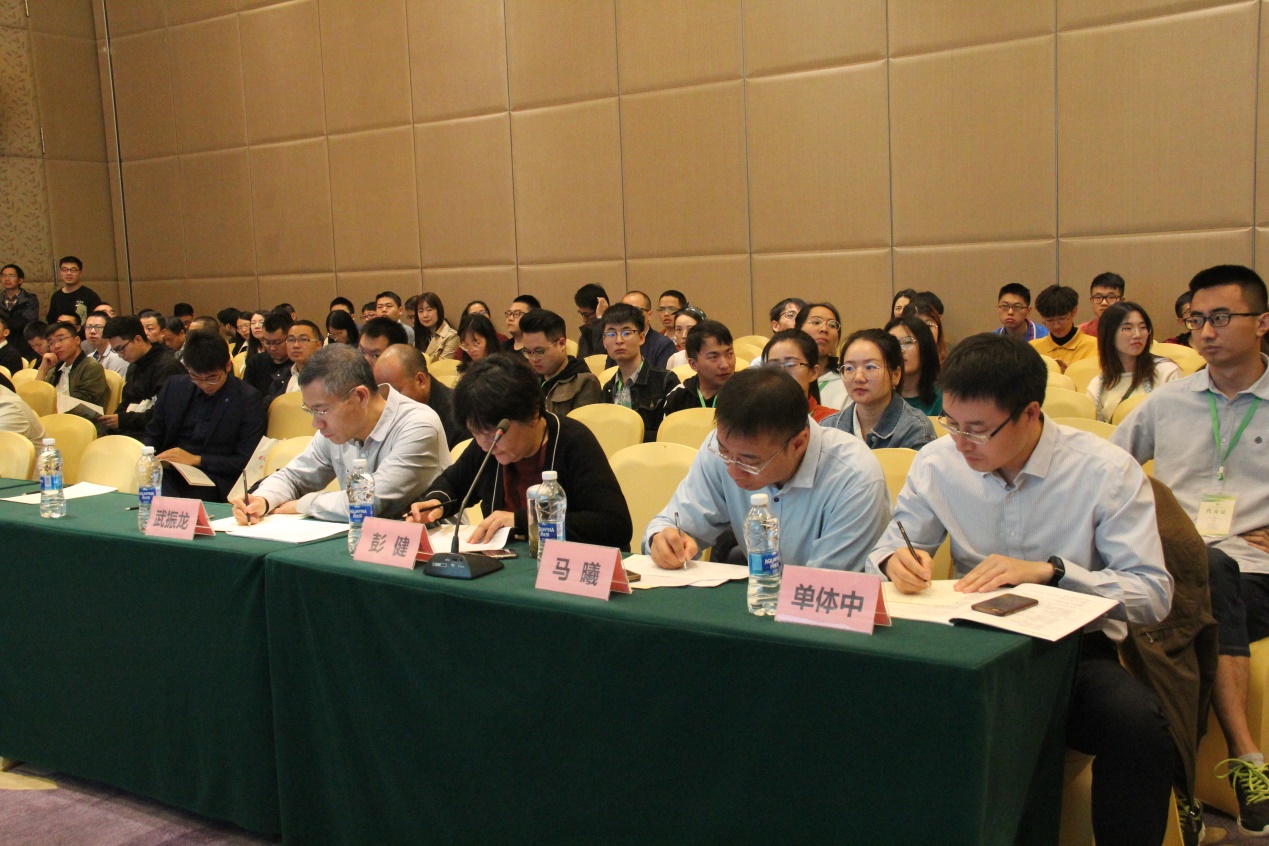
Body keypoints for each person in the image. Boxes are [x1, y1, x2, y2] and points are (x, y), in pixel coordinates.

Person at [871, 332, 1175, 846]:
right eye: (951, 423)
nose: (960, 442)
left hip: (1069, 652)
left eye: (978, 430)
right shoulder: (938, 461)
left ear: (1031, 413)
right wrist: (895, 561)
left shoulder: (1104, 470)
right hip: (968, 641)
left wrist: (1053, 572)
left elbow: (1153, 594)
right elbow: (894, 542)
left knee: (1137, 726)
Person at [1112, 264, 1269, 835]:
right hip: (1176, 565)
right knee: (1204, 579)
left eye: (1221, 318)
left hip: (1258, 572)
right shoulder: (1168, 402)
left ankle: (1182, 793)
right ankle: (1247, 761)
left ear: (1262, 323)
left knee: (1201, 595)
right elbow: (1108, 472)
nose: (1205, 331)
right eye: (1196, 318)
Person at [646, 366, 890, 569]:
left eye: (749, 461)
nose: (732, 470)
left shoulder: (854, 477)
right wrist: (663, 540)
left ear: (798, 444)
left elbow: (824, 585)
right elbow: (675, 522)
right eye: (724, 453)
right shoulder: (725, 447)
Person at [407, 354, 632, 548]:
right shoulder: (489, 445)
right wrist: (435, 503)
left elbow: (614, 525)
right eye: (475, 433)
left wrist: (521, 520)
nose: (484, 445)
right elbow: (453, 483)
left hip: (565, 566)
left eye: (492, 434)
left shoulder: (573, 441)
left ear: (532, 414)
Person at [234, 345, 449, 523]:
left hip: (427, 546)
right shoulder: (337, 429)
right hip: (358, 540)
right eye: (310, 411)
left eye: (321, 410)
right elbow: (295, 476)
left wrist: (303, 504)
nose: (316, 423)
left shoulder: (418, 425)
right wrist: (262, 500)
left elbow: (367, 504)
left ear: (361, 397)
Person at [140, 332, 266, 502]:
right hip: (172, 470)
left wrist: (196, 460)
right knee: (151, 483)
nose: (205, 385)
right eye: (196, 378)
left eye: (212, 378)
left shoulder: (247, 399)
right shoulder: (175, 387)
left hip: (214, 477)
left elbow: (246, 459)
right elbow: (153, 432)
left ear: (228, 366)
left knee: (172, 493)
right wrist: (150, 458)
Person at [821, 329, 935, 450]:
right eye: (849, 368)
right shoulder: (828, 428)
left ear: (896, 375)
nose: (858, 377)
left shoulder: (915, 429)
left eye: (870, 367)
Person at [1087, 302, 1182, 422]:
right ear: (1109, 334)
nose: (1137, 335)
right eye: (1128, 328)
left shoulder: (1166, 372)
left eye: (1142, 327)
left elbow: (1177, 421)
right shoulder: (1098, 385)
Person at [599, 302, 680, 441]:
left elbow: (673, 433)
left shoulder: (665, 381)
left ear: (641, 338)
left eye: (626, 333)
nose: (619, 340)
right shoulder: (608, 388)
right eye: (611, 334)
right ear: (604, 341)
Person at [98, 315, 186, 434]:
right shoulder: (134, 366)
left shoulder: (168, 367)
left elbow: (165, 414)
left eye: (121, 348)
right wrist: (114, 419)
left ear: (138, 340)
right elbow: (127, 402)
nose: (120, 355)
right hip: (133, 430)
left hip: (157, 435)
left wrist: (123, 420)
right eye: (116, 350)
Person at [373, 344, 469, 449]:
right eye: (383, 394)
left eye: (395, 392)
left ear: (420, 381)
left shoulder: (458, 416)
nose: (387, 402)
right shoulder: (385, 410)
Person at [517, 309, 601, 417]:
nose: (533, 358)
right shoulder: (528, 380)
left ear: (561, 344)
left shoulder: (584, 382)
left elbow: (581, 426)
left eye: (539, 351)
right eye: (528, 352)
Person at [761, 329, 836, 423]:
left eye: (790, 364)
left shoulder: (833, 421)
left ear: (813, 372)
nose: (781, 372)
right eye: (774, 366)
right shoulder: (757, 420)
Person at [663, 320, 735, 416]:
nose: (725, 365)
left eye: (729, 354)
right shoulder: (678, 397)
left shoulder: (748, 393)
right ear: (693, 364)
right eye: (714, 357)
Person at [37, 320, 109, 412]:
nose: (56, 346)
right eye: (51, 343)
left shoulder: (91, 367)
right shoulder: (54, 371)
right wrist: (43, 369)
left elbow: (81, 404)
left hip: (80, 419)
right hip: (55, 416)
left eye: (61, 339)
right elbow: (38, 399)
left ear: (77, 340)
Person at [1030, 284, 1098, 371]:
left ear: (1074, 312)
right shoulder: (1033, 348)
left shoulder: (1095, 346)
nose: (1056, 326)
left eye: (1061, 319)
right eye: (1050, 320)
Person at [886, 314, 942, 416]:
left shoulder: (944, 398)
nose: (900, 350)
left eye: (908, 342)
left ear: (925, 347)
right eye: (894, 344)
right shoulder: (878, 398)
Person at [793, 302, 845, 408]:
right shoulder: (782, 377)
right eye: (816, 322)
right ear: (797, 329)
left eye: (832, 325)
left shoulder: (847, 382)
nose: (824, 329)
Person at [264, 319, 323, 407]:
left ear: (318, 346)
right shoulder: (282, 376)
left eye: (303, 339)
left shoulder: (328, 377)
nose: (296, 345)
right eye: (291, 340)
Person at [243, 311, 293, 395]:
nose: (272, 348)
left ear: (289, 339)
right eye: (267, 342)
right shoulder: (256, 362)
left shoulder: (296, 365)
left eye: (277, 342)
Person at [46, 256, 101, 325]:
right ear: (60, 272)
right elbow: (51, 322)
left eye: (73, 270)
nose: (68, 273)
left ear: (80, 272)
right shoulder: (56, 296)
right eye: (64, 270)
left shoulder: (90, 296)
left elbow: (95, 321)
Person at [0, 263, 39, 359]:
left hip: (24, 345)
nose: (7, 279)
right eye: (4, 276)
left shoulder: (30, 299)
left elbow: (27, 322)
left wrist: (5, 322)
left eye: (11, 276)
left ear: (20, 280)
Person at [903, 296, 949, 364]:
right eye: (919, 325)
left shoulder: (950, 362)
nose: (925, 330)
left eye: (929, 325)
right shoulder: (903, 363)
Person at [82, 310, 129, 376]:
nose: (92, 331)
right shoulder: (90, 357)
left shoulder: (117, 357)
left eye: (98, 327)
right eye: (89, 327)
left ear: (108, 329)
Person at [1079, 272, 1126, 338]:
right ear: (1091, 301)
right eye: (1098, 297)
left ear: (1122, 301)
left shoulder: (1134, 332)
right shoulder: (1081, 333)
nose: (1104, 303)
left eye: (1111, 297)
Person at [413, 291, 458, 361]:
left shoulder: (452, 336)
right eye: (420, 311)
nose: (425, 315)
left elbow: (442, 365)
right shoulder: (417, 334)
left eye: (429, 310)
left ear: (439, 311)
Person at [455, 312, 501, 379]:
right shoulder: (464, 369)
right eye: (466, 344)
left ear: (489, 339)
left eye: (476, 344)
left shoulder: (500, 369)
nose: (471, 350)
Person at [574, 283, 610, 359]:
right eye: (582, 314)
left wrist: (600, 319)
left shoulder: (614, 334)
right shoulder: (586, 334)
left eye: (586, 315)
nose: (584, 320)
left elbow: (600, 358)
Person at [665, 305, 706, 370]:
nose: (684, 335)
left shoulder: (712, 359)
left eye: (690, 330)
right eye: (679, 329)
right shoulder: (674, 360)